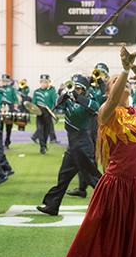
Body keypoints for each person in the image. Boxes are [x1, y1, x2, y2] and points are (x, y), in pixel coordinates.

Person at [66, 45, 136, 257]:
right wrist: (125, 70)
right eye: (116, 81)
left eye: (125, 80)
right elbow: (111, 101)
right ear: (108, 91)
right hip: (116, 187)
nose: (124, 81)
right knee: (111, 242)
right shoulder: (105, 113)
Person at [37, 74, 102, 215]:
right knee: (63, 176)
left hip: (83, 142)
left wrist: (77, 97)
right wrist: (64, 96)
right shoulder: (69, 101)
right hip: (72, 143)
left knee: (93, 177)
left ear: (83, 89)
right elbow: (54, 106)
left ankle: (112, 203)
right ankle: (53, 206)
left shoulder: (88, 100)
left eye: (78, 88)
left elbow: (95, 108)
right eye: (74, 87)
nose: (75, 89)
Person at [66, 63, 109, 199]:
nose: (98, 75)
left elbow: (104, 100)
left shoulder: (107, 86)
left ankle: (107, 186)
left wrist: (101, 83)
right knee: (84, 155)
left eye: (101, 73)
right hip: (88, 122)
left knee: (101, 157)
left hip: (100, 122)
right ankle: (82, 187)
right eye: (97, 73)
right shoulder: (91, 87)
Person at [31, 74, 57, 154]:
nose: (44, 84)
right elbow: (34, 103)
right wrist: (33, 109)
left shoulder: (51, 91)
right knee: (39, 129)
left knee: (46, 131)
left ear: (48, 83)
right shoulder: (36, 92)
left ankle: (44, 145)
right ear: (40, 82)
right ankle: (42, 147)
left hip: (47, 113)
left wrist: (53, 108)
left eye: (45, 82)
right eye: (42, 82)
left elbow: (54, 100)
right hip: (39, 113)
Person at [0, 74, 19, 149]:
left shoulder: (12, 89)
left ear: (8, 81)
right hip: (1, 110)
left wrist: (16, 103)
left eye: (6, 81)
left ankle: (7, 142)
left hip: (9, 109)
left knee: (9, 127)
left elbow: (15, 98)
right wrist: (0, 108)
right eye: (3, 81)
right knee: (0, 128)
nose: (4, 82)